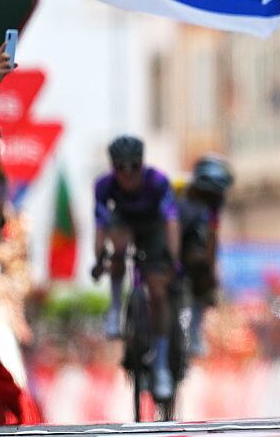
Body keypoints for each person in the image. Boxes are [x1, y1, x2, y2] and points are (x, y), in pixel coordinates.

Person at [91, 135, 179, 400]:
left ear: (142, 164)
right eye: (121, 168)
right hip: (124, 225)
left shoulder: (158, 181)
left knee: (159, 293)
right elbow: (100, 228)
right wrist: (99, 260)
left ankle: (161, 364)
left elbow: (172, 223)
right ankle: (116, 307)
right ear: (112, 168)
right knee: (118, 246)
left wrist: (172, 261)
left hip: (153, 230)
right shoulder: (103, 186)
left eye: (134, 167)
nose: (128, 174)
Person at [176, 153, 234, 356]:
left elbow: (212, 235)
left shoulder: (215, 204)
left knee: (204, 277)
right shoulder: (177, 187)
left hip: (190, 243)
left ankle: (194, 332)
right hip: (166, 237)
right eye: (207, 193)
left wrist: (210, 272)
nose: (212, 199)